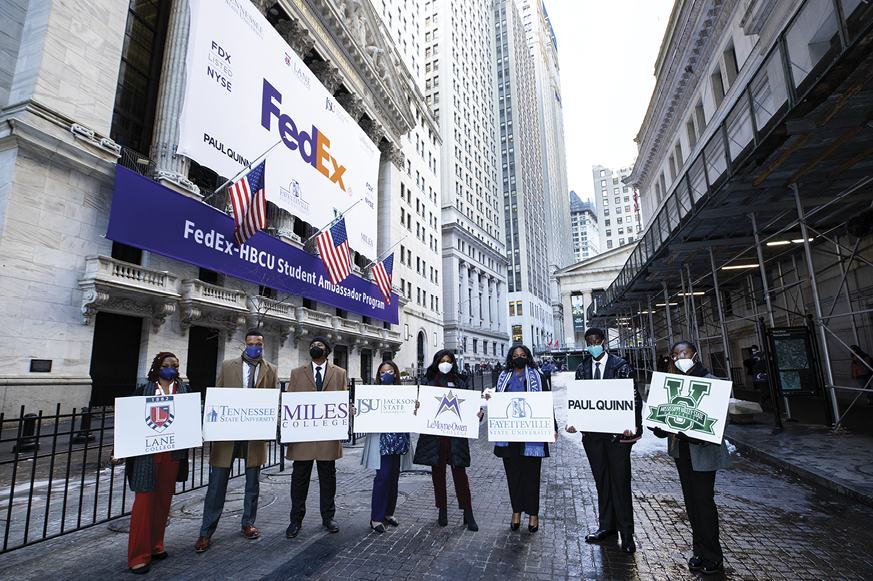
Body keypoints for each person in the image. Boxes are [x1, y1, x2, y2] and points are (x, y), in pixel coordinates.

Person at [649, 340, 732, 576]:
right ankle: (699, 552)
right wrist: (661, 427)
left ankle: (714, 556)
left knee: (704, 502)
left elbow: (720, 422)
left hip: (703, 452)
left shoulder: (712, 383)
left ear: (694, 355)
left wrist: (700, 435)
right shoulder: (672, 383)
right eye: (675, 356)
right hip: (682, 451)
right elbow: (667, 415)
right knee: (692, 503)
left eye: (683, 353)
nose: (679, 358)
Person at [194, 330, 278, 553]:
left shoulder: (271, 369)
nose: (254, 347)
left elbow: (272, 399)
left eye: (258, 344)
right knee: (217, 484)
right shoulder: (227, 365)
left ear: (263, 344)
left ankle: (247, 523)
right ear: (244, 344)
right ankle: (206, 532)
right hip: (227, 432)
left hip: (254, 432)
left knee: (253, 482)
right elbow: (217, 395)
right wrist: (206, 426)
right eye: (251, 343)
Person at [112, 352, 191, 574]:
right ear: (157, 368)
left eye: (175, 366)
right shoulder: (142, 392)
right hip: (146, 457)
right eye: (166, 365)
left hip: (172, 455)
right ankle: (138, 555)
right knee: (143, 505)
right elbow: (128, 422)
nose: (171, 369)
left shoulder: (185, 391)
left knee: (163, 503)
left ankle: (156, 546)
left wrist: (195, 435)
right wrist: (118, 450)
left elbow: (189, 421)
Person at [565, 327, 642, 553]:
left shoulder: (621, 366)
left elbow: (633, 398)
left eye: (596, 341)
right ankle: (607, 526)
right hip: (593, 436)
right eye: (589, 342)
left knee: (620, 482)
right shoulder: (582, 368)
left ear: (604, 342)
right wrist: (574, 421)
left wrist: (633, 425)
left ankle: (627, 533)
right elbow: (578, 400)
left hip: (618, 435)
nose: (592, 345)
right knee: (602, 482)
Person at [489, 345, 557, 533]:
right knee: (513, 476)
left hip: (532, 434)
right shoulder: (503, 378)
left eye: (523, 355)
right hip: (509, 435)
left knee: (531, 476)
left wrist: (553, 427)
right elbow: (496, 403)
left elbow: (546, 404)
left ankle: (533, 514)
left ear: (528, 357)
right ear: (510, 358)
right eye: (515, 355)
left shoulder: (538, 377)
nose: (519, 358)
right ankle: (516, 511)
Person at [285, 336, 349, 538]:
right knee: (299, 479)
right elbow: (290, 401)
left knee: (328, 478)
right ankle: (296, 520)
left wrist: (349, 410)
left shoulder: (340, 373)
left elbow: (343, 399)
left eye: (319, 345)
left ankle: (328, 517)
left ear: (327, 350)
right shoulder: (297, 373)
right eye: (312, 345)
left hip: (327, 436)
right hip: (303, 437)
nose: (314, 347)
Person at [412, 349, 483, 531]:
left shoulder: (460, 381)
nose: (445, 363)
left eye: (448, 360)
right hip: (434, 436)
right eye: (442, 360)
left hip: (456, 435)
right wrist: (417, 407)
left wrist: (478, 414)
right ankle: (441, 509)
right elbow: (419, 409)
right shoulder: (427, 382)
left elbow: (470, 408)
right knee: (438, 475)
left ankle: (468, 512)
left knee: (460, 474)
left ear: (453, 363)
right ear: (436, 362)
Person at [361, 360, 413, 533]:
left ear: (396, 373)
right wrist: (356, 412)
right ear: (378, 376)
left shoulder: (404, 392)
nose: (386, 375)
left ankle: (389, 513)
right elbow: (364, 411)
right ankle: (376, 517)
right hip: (381, 440)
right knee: (382, 476)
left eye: (390, 371)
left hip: (398, 440)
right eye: (382, 372)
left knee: (394, 477)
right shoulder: (372, 393)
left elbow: (412, 413)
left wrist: (415, 408)